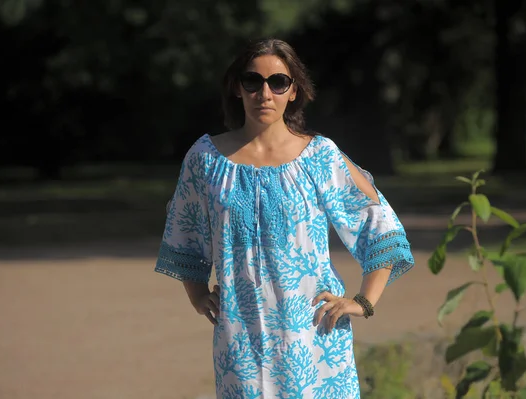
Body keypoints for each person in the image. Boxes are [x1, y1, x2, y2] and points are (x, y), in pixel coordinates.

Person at [155, 38, 415, 399]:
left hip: (315, 337)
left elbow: (378, 222)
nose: (265, 92)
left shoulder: (319, 156)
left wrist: (364, 300)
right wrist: (197, 294)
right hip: (240, 343)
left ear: (293, 91)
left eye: (278, 82)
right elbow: (184, 230)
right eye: (253, 81)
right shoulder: (205, 159)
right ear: (236, 87)